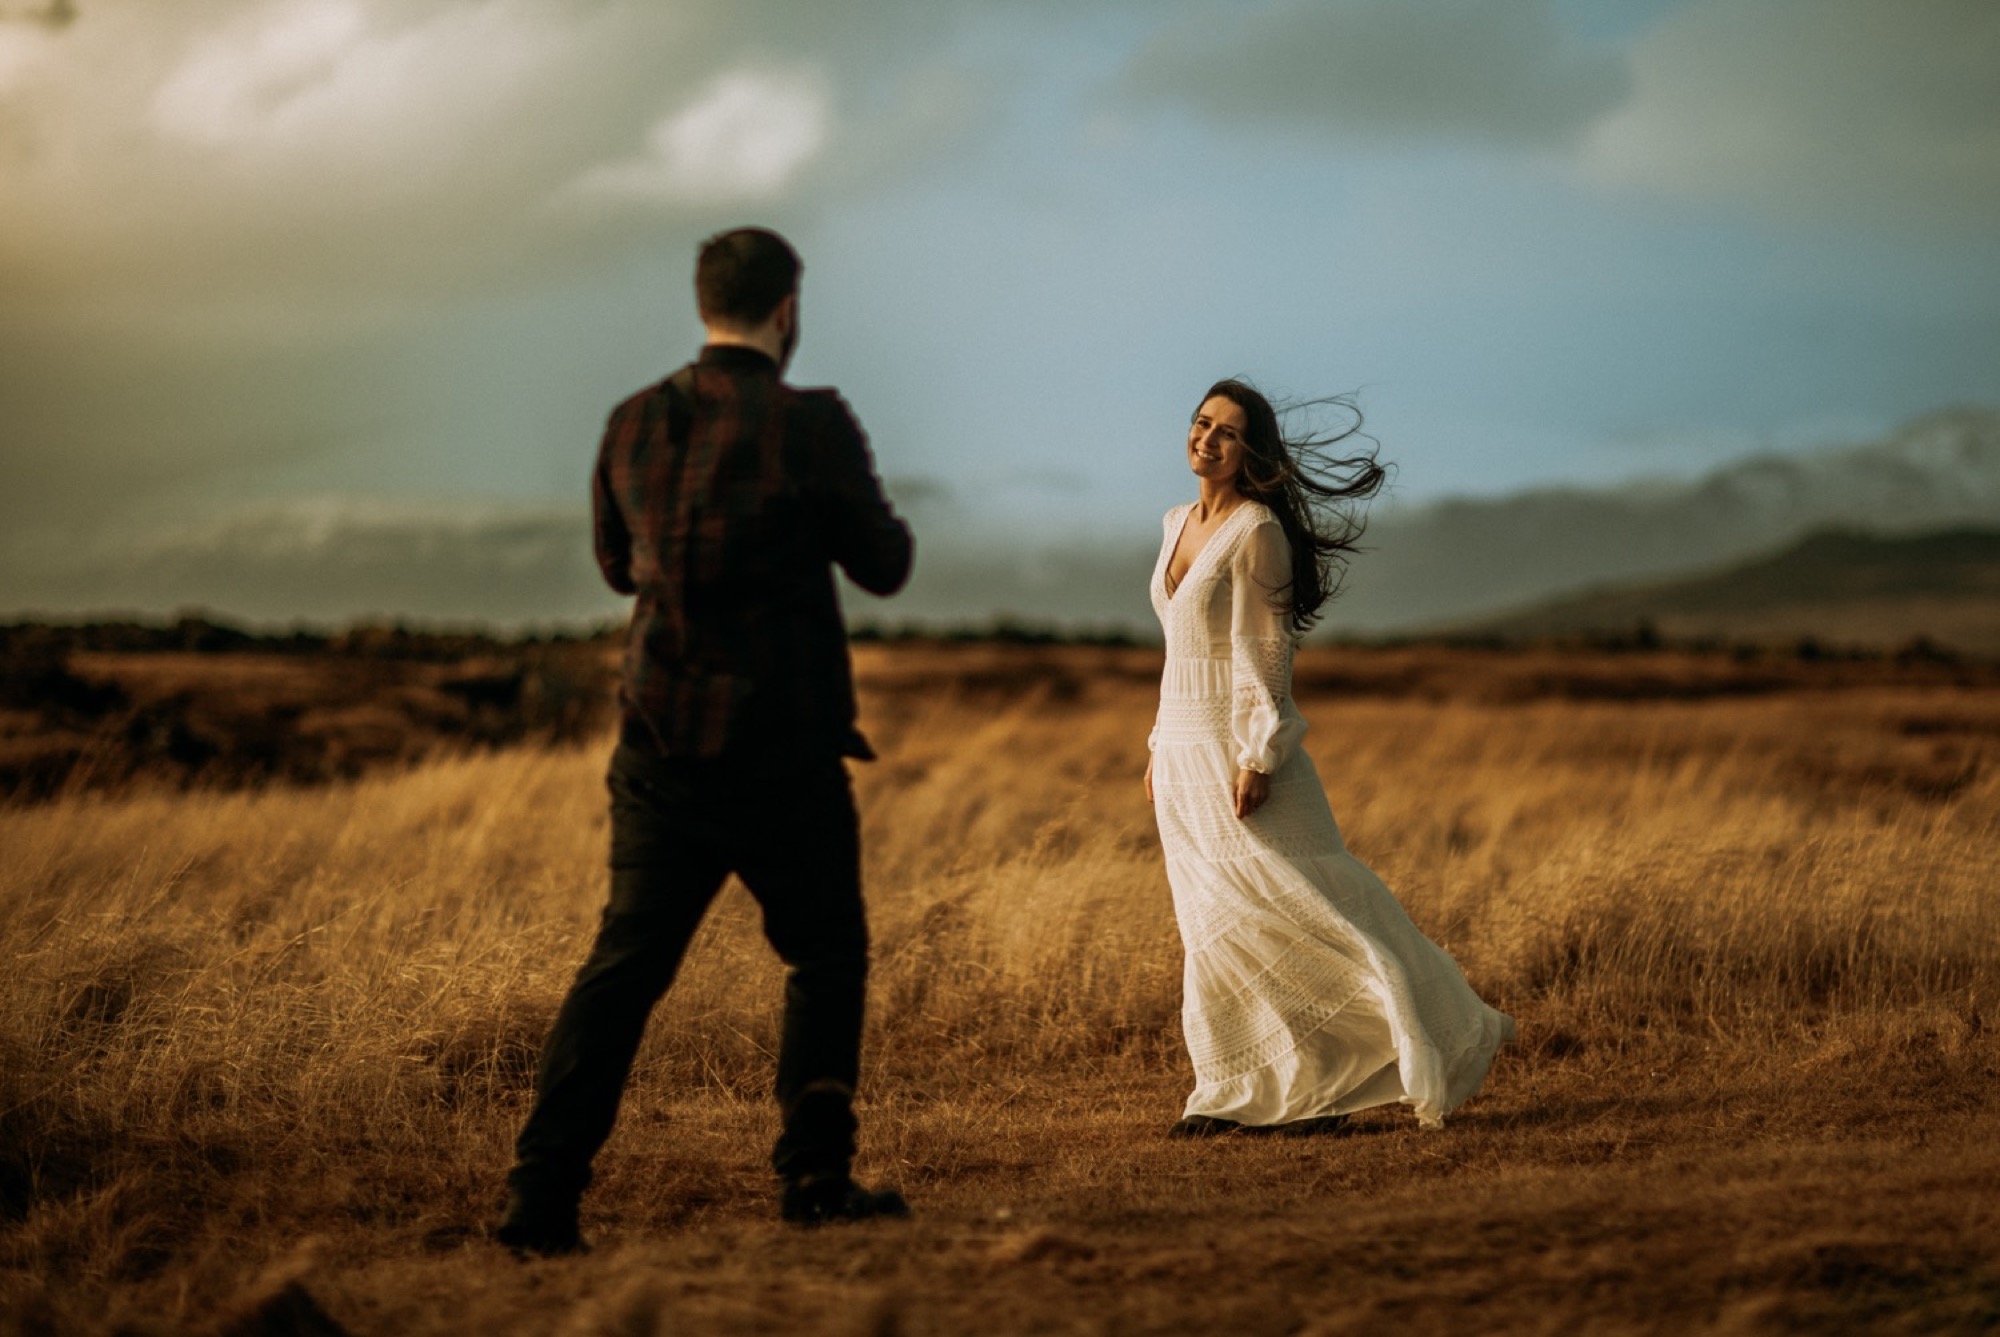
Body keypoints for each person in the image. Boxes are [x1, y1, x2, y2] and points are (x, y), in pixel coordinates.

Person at [496, 227, 915, 1256]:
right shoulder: (810, 423)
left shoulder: (631, 420)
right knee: (824, 953)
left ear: (702, 305)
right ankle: (814, 1175)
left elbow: (610, 564)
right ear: (788, 309)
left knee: (625, 964)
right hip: (783, 749)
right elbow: (885, 562)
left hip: (657, 741)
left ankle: (539, 1196)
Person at [1145, 378, 1513, 1137]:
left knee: (1301, 904)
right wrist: (1156, 745)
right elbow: (1181, 649)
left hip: (1233, 746)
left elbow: (1267, 654)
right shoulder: (1175, 521)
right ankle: (1243, 1088)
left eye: (1227, 432)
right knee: (1215, 920)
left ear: (1251, 453)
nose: (1206, 439)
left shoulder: (1256, 531)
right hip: (1181, 747)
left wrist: (1261, 754)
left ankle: (1429, 1033)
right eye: (1201, 422)